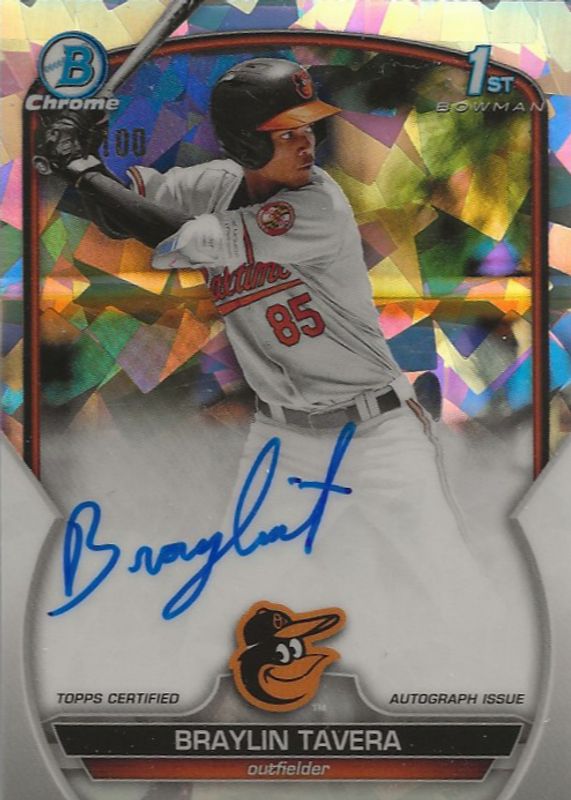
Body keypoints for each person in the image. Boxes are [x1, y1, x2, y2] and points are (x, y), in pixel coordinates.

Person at [40, 56, 505, 690]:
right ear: (245, 142)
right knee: (238, 584)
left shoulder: (315, 205)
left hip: (376, 432)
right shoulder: (215, 183)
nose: (306, 141)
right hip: (284, 439)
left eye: (308, 126)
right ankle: (181, 705)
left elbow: (172, 236)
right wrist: (73, 159)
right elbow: (123, 211)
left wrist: (80, 167)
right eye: (286, 131)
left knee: (442, 570)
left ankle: (499, 689)